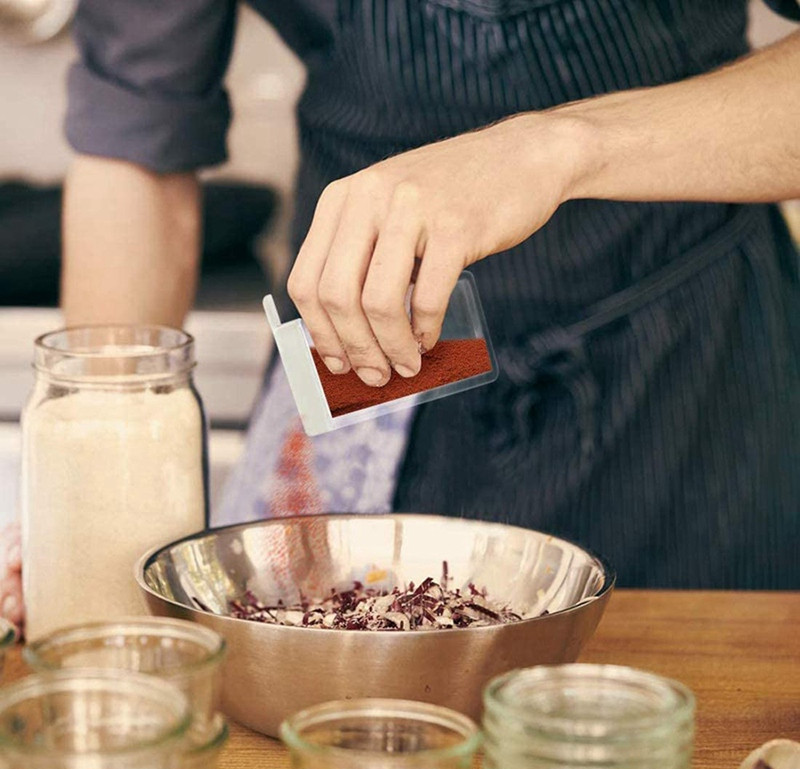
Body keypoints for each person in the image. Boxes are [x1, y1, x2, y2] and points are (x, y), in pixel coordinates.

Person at [3, 1, 799, 627]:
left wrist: (552, 148)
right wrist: (90, 510)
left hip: (690, 366)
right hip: (358, 349)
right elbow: (138, 138)